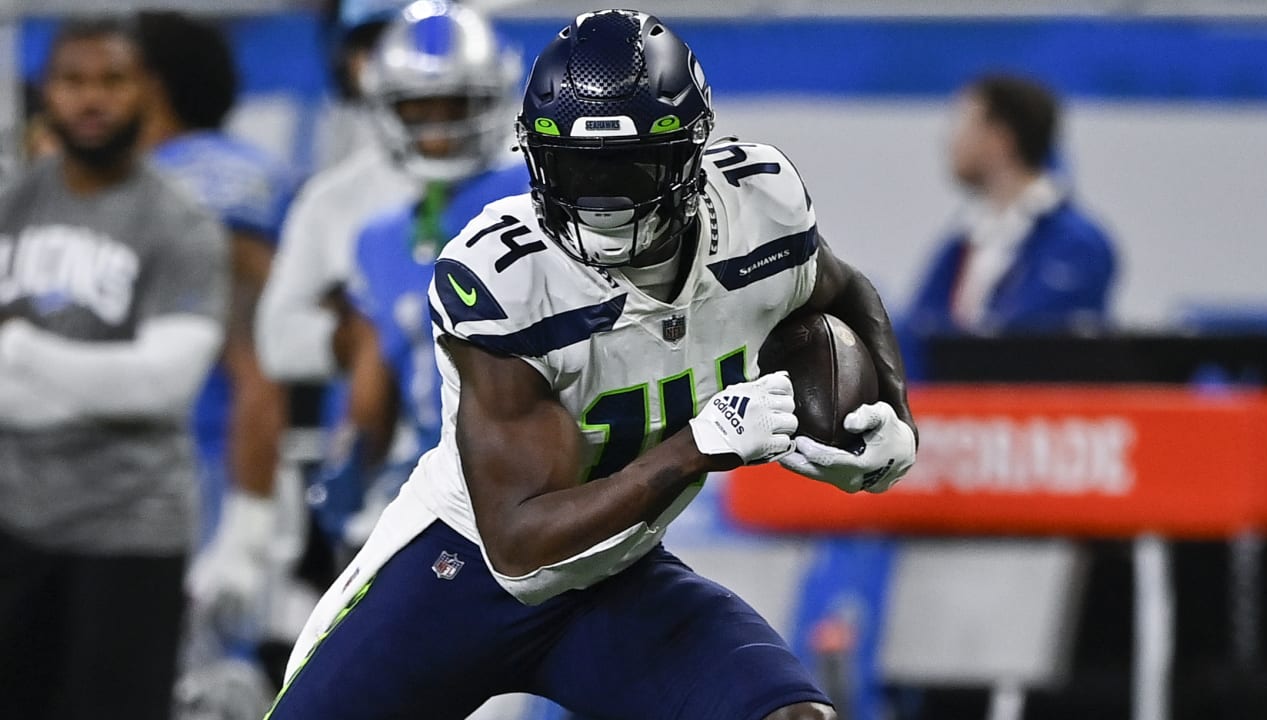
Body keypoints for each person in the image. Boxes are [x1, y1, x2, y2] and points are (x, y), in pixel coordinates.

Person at [270, 10, 918, 720]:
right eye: (576, 168)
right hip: (457, 575)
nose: (600, 201)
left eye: (628, 166)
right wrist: (695, 447)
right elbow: (519, 548)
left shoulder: (758, 212)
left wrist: (892, 416)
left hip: (618, 570)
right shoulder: (509, 279)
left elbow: (839, 287)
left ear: (689, 154)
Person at [0, 17, 228, 720]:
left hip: (129, 536)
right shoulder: (14, 206)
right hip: (13, 526)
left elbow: (163, 384)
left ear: (145, 93)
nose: (91, 99)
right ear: (46, 92)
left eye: (112, 80)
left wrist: (22, 359)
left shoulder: (180, 220)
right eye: (73, 81)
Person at [312, 1, 527, 551]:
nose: (437, 129)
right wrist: (348, 478)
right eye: (418, 109)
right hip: (427, 489)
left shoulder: (536, 199)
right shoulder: (379, 237)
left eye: (452, 105)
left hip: (537, 478)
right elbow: (372, 382)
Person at [137, 10, 295, 648]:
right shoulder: (254, 169)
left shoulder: (187, 185)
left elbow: (257, 360)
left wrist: (245, 525)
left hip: (201, 472)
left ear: (149, 85)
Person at [902, 74, 1117, 374]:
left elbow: (1026, 350)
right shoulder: (964, 238)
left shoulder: (1077, 244)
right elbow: (916, 332)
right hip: (949, 410)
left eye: (964, 124)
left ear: (1000, 137)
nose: (950, 141)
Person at [254, 0, 418, 384]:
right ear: (348, 64)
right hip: (379, 436)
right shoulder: (329, 199)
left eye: (414, 44)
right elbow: (276, 340)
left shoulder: (528, 181)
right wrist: (362, 336)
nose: (394, 64)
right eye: (373, 48)